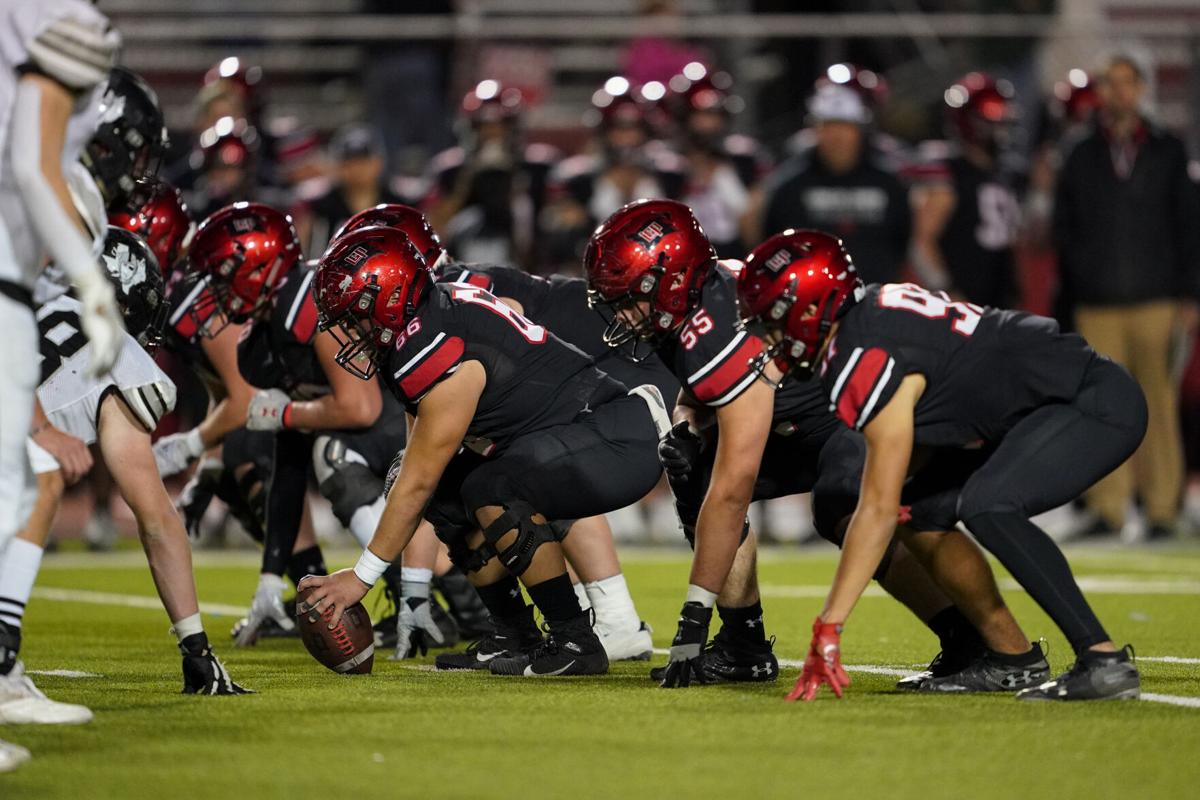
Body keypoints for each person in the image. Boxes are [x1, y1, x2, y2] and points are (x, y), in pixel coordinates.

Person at [585, 202, 1038, 690]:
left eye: (630, 297)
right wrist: (685, 424)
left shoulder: (715, 328)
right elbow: (699, 392)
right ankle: (744, 645)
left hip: (852, 412)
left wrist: (691, 623)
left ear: (670, 279)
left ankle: (980, 639)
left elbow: (734, 487)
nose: (625, 314)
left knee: (840, 501)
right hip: (802, 423)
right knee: (693, 466)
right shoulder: (697, 304)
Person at [738, 231, 1145, 702]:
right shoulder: (866, 318)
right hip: (1033, 411)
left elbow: (876, 509)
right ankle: (1012, 658)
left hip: (1088, 400)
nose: (768, 339)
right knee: (923, 512)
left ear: (810, 309)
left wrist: (828, 626)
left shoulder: (863, 355)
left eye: (771, 321)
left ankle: (1101, 659)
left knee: (989, 505)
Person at [297, 225, 670, 677]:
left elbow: (417, 481)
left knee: (490, 486)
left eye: (355, 315)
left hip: (613, 436)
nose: (351, 329)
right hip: (580, 433)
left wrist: (360, 577)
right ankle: (513, 634)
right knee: (452, 494)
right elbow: (422, 480)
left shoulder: (435, 343)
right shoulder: (430, 319)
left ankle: (575, 639)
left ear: (388, 297)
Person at [10, 228, 250, 711]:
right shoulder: (116, 350)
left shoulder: (18, 305)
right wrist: (195, 647)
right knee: (41, 483)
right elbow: (155, 518)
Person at [0, 3, 127, 771]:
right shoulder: (57, 16)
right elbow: (30, 162)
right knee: (20, 485)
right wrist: (90, 281)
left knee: (30, 481)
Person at [150, 202, 329, 640]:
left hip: (323, 401)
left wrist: (191, 445)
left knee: (251, 459)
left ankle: (329, 589)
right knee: (231, 472)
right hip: (290, 404)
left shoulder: (188, 297)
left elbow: (245, 394)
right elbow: (223, 391)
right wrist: (205, 468)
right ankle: (309, 589)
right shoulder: (179, 296)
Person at [1054, 54, 1200, 540]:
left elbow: (1189, 225)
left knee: (1158, 403)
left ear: (1141, 89)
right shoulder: (1078, 152)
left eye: (1127, 83)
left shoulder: (1168, 151)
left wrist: (1189, 293)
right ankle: (1107, 508)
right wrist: (1076, 288)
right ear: (1100, 91)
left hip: (1157, 297)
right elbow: (1064, 230)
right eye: (1110, 83)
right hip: (1098, 301)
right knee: (1101, 408)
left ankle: (1162, 508)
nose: (1118, 92)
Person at [760, 83, 910, 285]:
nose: (838, 135)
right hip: (809, 299)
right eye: (829, 126)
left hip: (875, 298)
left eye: (845, 126)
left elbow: (905, 239)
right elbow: (770, 240)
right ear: (815, 130)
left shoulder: (888, 181)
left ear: (859, 129)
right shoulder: (789, 183)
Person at [910, 73, 1022, 308]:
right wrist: (946, 291)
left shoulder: (1005, 172)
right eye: (993, 118)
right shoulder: (948, 172)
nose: (1000, 128)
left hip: (999, 298)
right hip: (959, 301)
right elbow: (921, 242)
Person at [293, 123, 406, 257]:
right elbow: (301, 251)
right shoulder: (319, 207)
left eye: (363, 162)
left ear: (377, 163)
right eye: (349, 164)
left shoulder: (398, 206)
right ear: (337, 167)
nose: (356, 170)